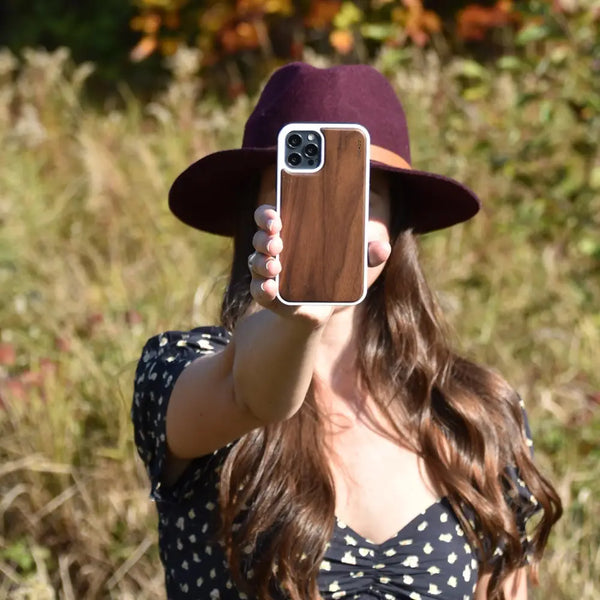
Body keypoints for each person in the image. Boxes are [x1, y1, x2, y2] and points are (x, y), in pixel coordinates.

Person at [132, 62, 561, 600]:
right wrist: (297, 320)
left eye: (364, 195)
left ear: (396, 226)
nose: (335, 218)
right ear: (255, 216)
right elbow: (250, 397)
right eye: (298, 189)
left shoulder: (475, 412)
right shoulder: (178, 367)